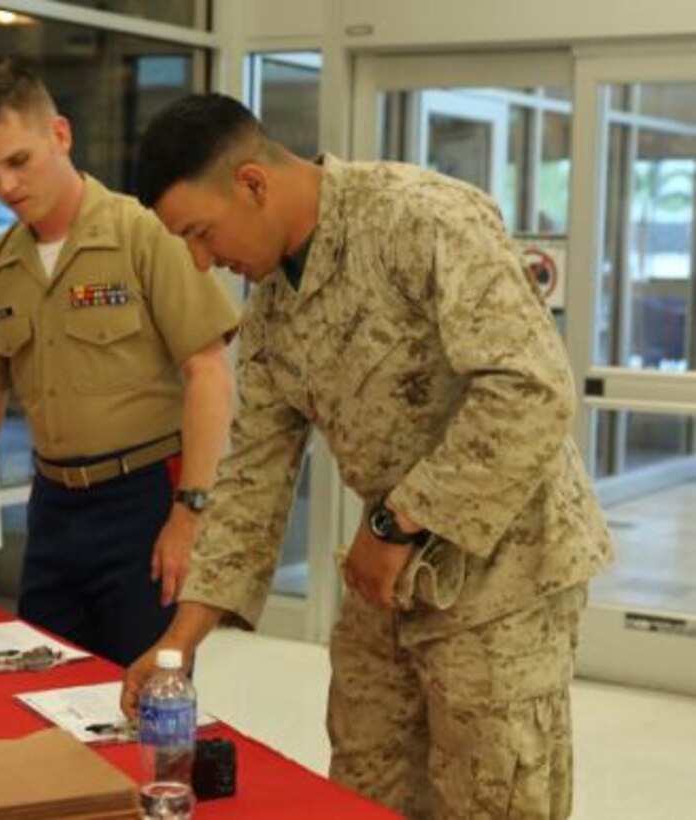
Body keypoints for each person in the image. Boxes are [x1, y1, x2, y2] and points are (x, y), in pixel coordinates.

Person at [121, 93, 614, 819]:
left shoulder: (422, 219)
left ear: (253, 183)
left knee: (492, 797)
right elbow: (253, 478)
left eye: (200, 233)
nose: (200, 264)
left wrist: (396, 523)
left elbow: (532, 389)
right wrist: (178, 644)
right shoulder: (269, 314)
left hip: (506, 572)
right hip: (388, 585)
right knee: (363, 789)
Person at [0, 62, 239, 668]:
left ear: (61, 136)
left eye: (19, 161)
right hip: (53, 511)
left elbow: (209, 372)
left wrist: (190, 513)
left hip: (145, 504)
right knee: (39, 695)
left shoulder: (141, 233)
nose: (7, 185)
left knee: (145, 700)